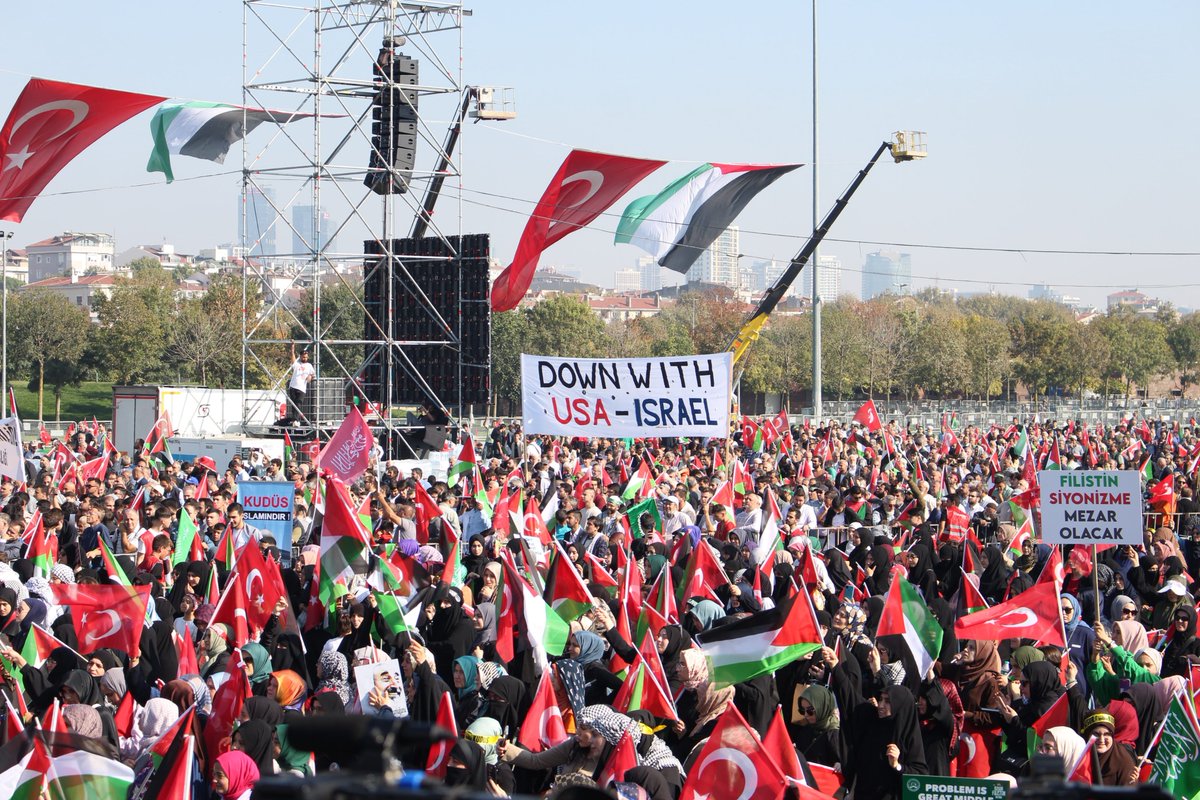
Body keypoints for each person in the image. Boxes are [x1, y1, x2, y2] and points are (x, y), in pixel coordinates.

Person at [285, 344, 315, 425]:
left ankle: (296, 420)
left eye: (306, 357)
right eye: (303, 357)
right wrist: (292, 347)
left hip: (302, 388)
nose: (305, 358)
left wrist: (310, 377)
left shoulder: (309, 366)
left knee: (298, 403)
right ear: (300, 356)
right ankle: (294, 419)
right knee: (294, 404)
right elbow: (292, 356)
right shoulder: (297, 364)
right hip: (293, 386)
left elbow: (313, 375)